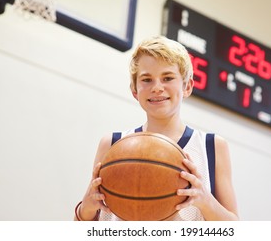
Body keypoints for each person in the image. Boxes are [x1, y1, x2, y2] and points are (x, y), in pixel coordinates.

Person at [74, 36, 239, 221]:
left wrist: (205, 199)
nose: (157, 87)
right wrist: (86, 208)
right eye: (147, 79)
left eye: (167, 78)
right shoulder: (112, 144)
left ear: (187, 86)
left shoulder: (212, 147)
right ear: (134, 90)